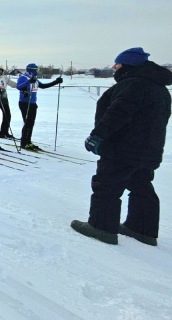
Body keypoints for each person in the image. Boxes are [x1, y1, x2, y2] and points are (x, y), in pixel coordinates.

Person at [71, 48, 172, 245]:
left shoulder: (133, 84)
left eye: (117, 64)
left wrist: (97, 136)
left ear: (127, 65)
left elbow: (118, 114)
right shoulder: (159, 88)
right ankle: (142, 229)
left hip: (123, 148)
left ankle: (101, 227)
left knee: (106, 185)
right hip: (149, 150)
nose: (114, 67)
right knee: (141, 185)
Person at [15, 63, 63, 150]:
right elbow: (18, 87)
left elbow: (43, 86)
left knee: (31, 123)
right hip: (25, 103)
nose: (37, 72)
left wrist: (56, 82)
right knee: (27, 123)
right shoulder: (23, 77)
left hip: (33, 103)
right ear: (32, 70)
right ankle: (23, 142)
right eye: (36, 70)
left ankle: (28, 141)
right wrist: (29, 82)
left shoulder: (35, 79)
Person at [0, 66, 15, 139]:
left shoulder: (4, 78)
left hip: (4, 98)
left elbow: (12, 84)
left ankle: (5, 131)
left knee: (7, 115)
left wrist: (21, 86)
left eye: (0, 70)